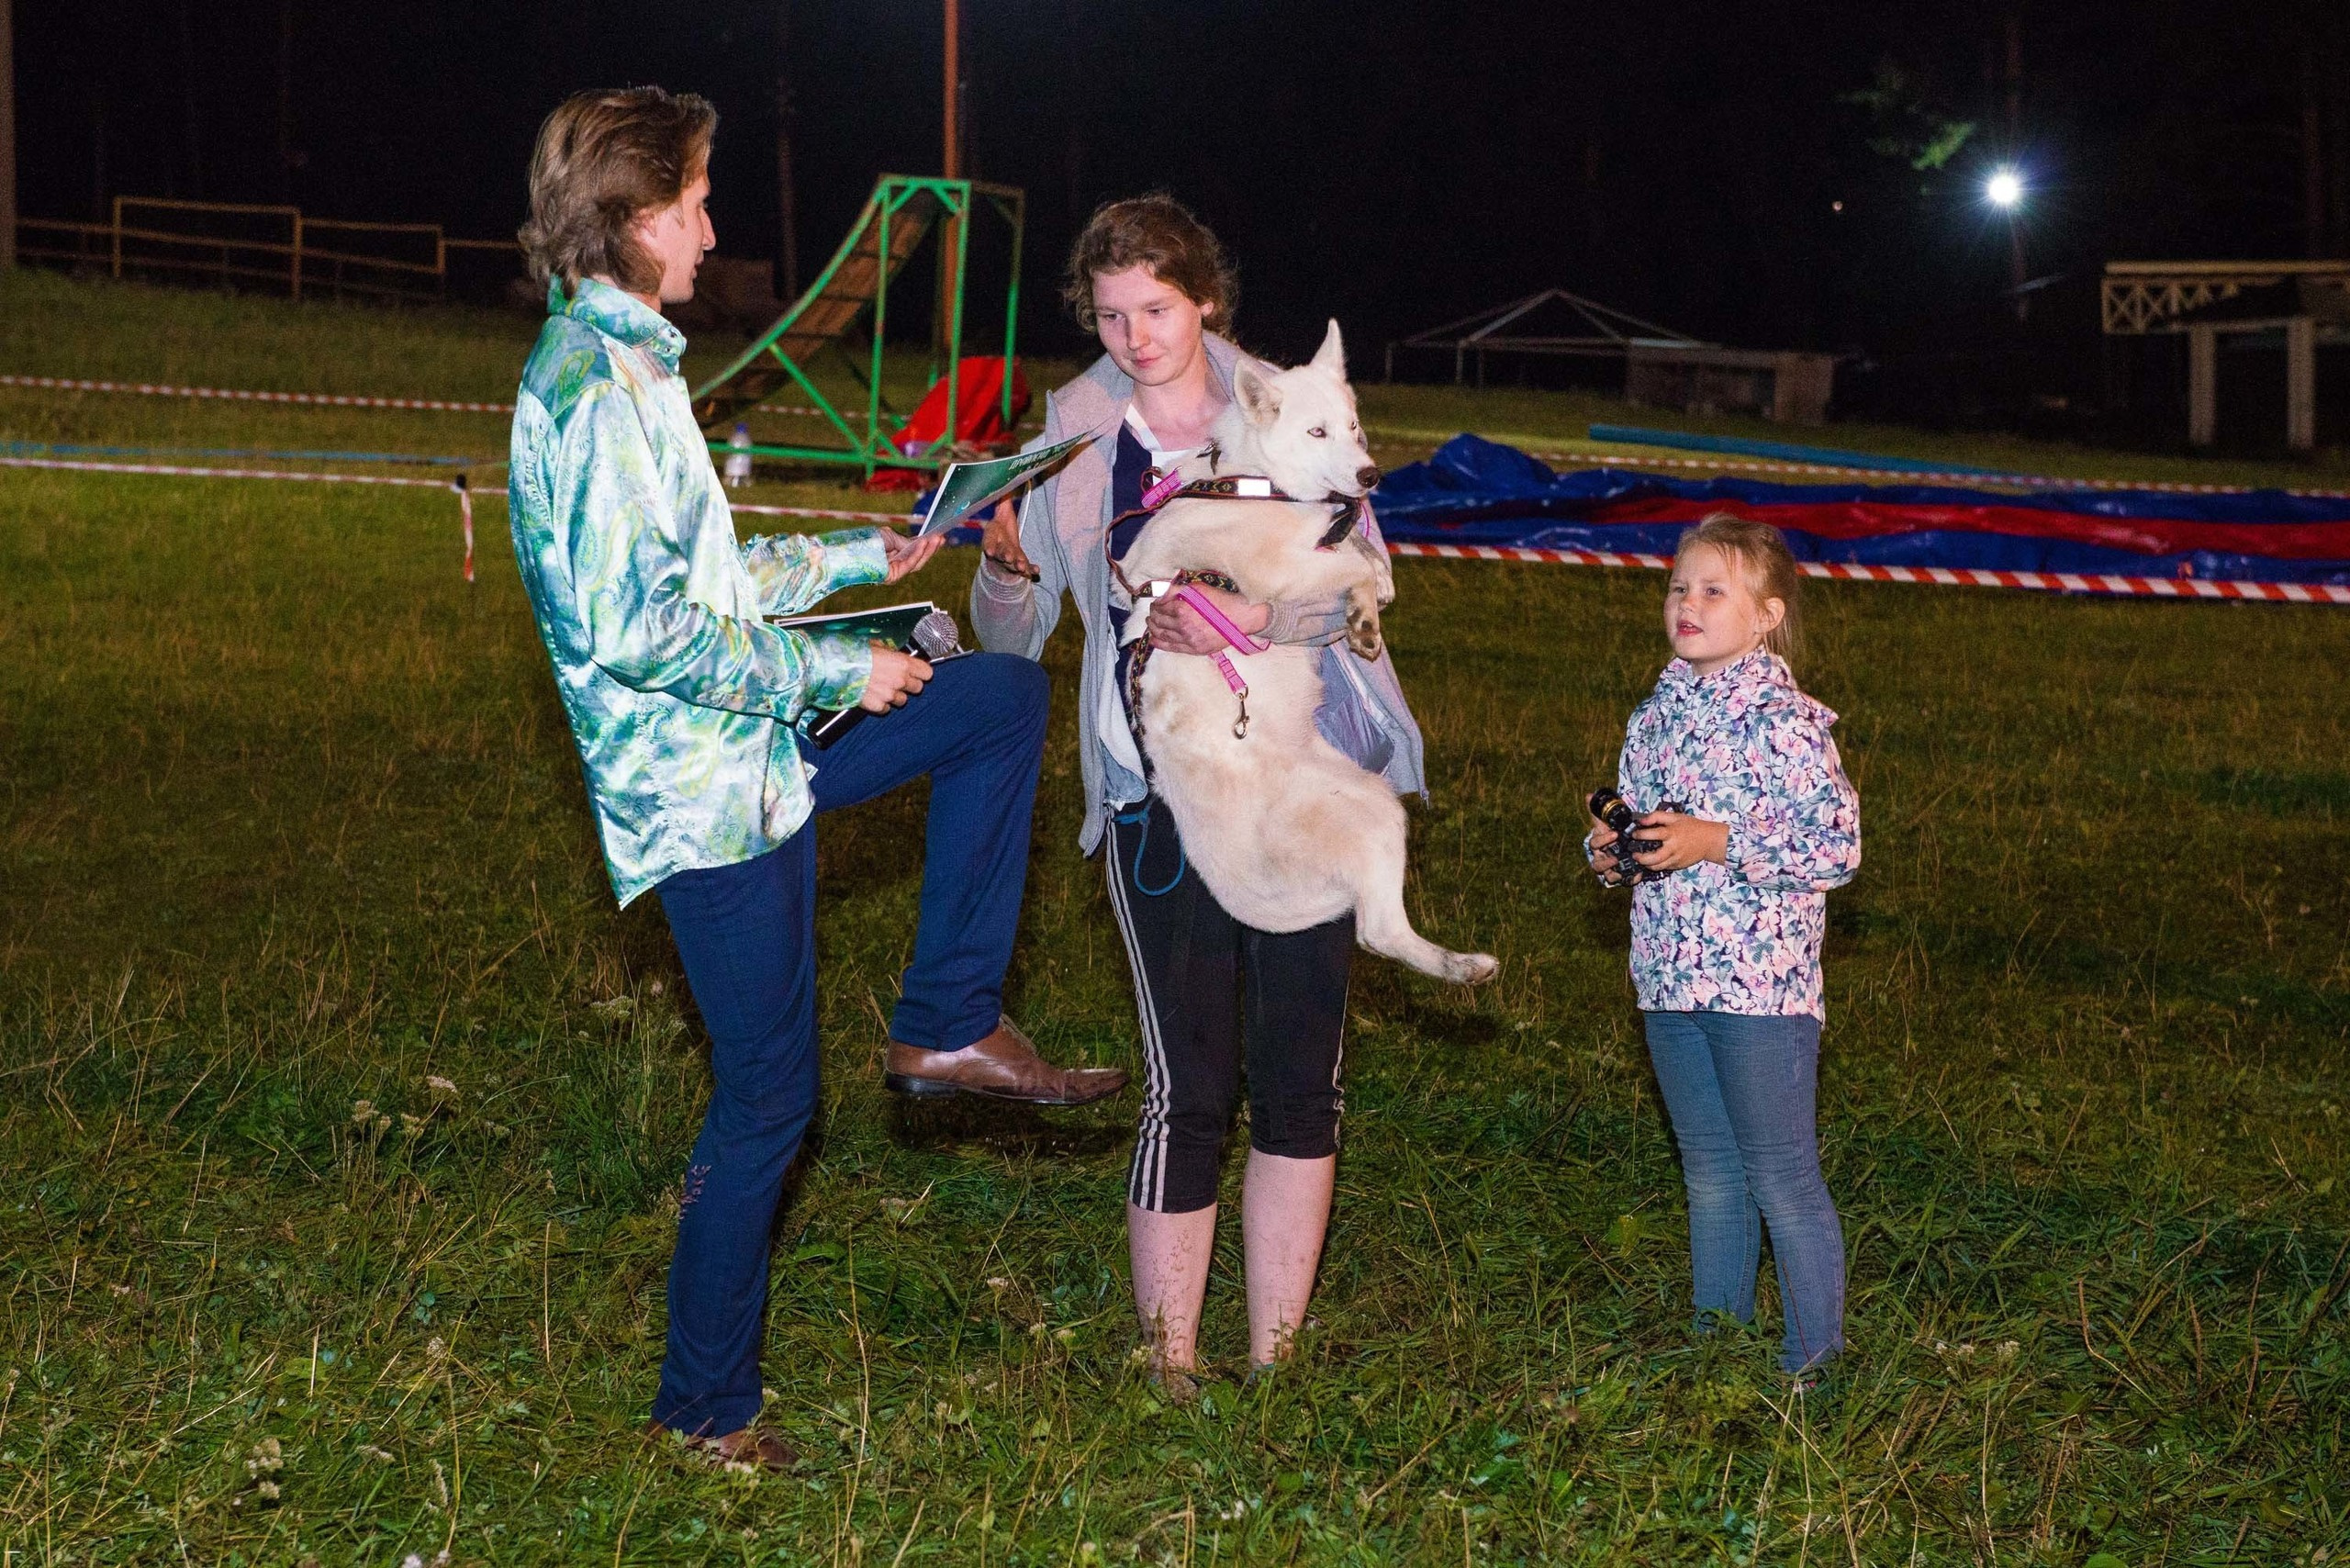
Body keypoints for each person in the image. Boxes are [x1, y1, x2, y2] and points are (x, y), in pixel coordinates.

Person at [506, 87, 1125, 1467]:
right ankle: (704, 1412)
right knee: (771, 1098)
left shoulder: (635, 368)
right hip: (707, 797)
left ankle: (950, 1019)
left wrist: (867, 561)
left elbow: (709, 582)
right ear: (635, 214)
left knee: (993, 697)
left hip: (754, 752)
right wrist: (843, 675)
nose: (715, 224)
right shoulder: (590, 392)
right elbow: (644, 634)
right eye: (698, 201)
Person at [970, 195, 1427, 1391]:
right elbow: (1008, 642)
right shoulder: (1070, 436)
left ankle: (1277, 1361)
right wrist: (1007, 572)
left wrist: (1245, 613)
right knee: (1188, 1082)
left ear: (1203, 300)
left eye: (1155, 309)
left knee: (1299, 1077)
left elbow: (1365, 580)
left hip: (1305, 783)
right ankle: (1169, 1368)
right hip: (1158, 798)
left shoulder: (1288, 402)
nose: (1133, 336)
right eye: (1110, 315)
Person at [1586, 514, 1862, 1381]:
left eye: (1713, 591)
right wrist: (1609, 850)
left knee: (1780, 1174)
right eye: (1678, 587)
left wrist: (1719, 841)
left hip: (1761, 994)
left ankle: (1813, 1366)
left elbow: (1837, 849)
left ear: (1767, 614)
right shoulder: (1656, 712)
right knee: (1709, 1173)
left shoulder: (1787, 723)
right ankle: (1717, 1352)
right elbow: (1640, 827)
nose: (1687, 604)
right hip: (1669, 978)